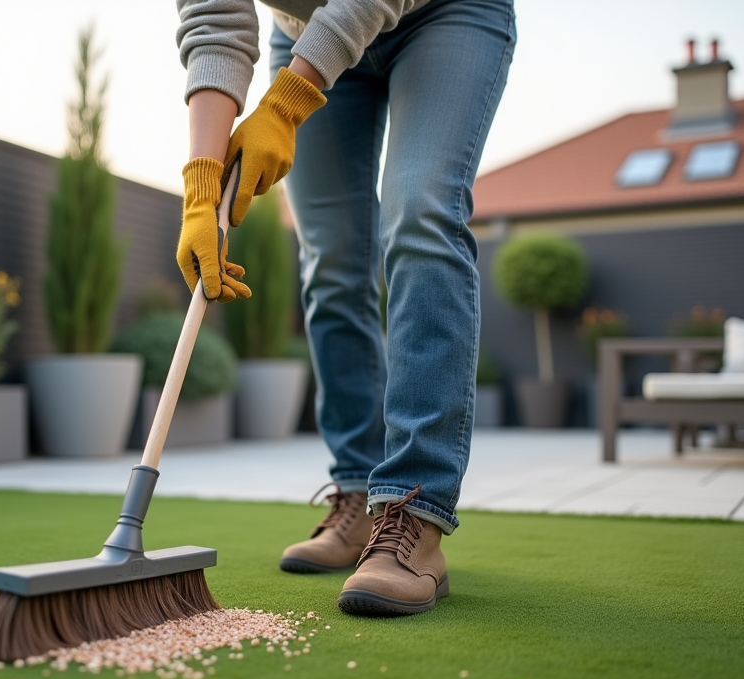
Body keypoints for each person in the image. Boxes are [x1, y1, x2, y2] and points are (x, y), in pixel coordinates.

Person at [175, 0, 515, 616]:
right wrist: (201, 184)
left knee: (420, 212)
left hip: (446, 13)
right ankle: (358, 495)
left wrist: (284, 103)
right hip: (304, 33)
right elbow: (215, 22)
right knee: (329, 259)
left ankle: (414, 510)